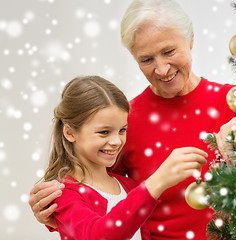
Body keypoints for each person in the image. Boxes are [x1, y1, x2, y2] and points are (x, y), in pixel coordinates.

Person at [29, 0, 236, 239]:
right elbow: (103, 196)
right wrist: (53, 212)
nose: (161, 69)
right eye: (146, 59)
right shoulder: (124, 122)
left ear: (190, 40)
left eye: (169, 51)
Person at [41, 75, 208, 240]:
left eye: (122, 130)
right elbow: (97, 235)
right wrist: (156, 182)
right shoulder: (64, 194)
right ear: (70, 133)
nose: (116, 141)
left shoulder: (128, 186)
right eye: (104, 132)